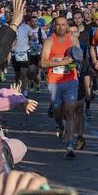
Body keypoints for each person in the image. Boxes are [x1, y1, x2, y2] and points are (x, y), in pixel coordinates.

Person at [40, 15, 83, 158]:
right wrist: (62, 62)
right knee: (58, 110)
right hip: (54, 81)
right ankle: (60, 125)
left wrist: (76, 63)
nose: (61, 27)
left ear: (67, 26)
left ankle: (70, 145)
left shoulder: (74, 40)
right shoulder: (49, 41)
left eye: (63, 24)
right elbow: (43, 63)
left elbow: (79, 59)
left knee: (70, 110)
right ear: (54, 26)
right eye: (58, 25)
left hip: (71, 79)